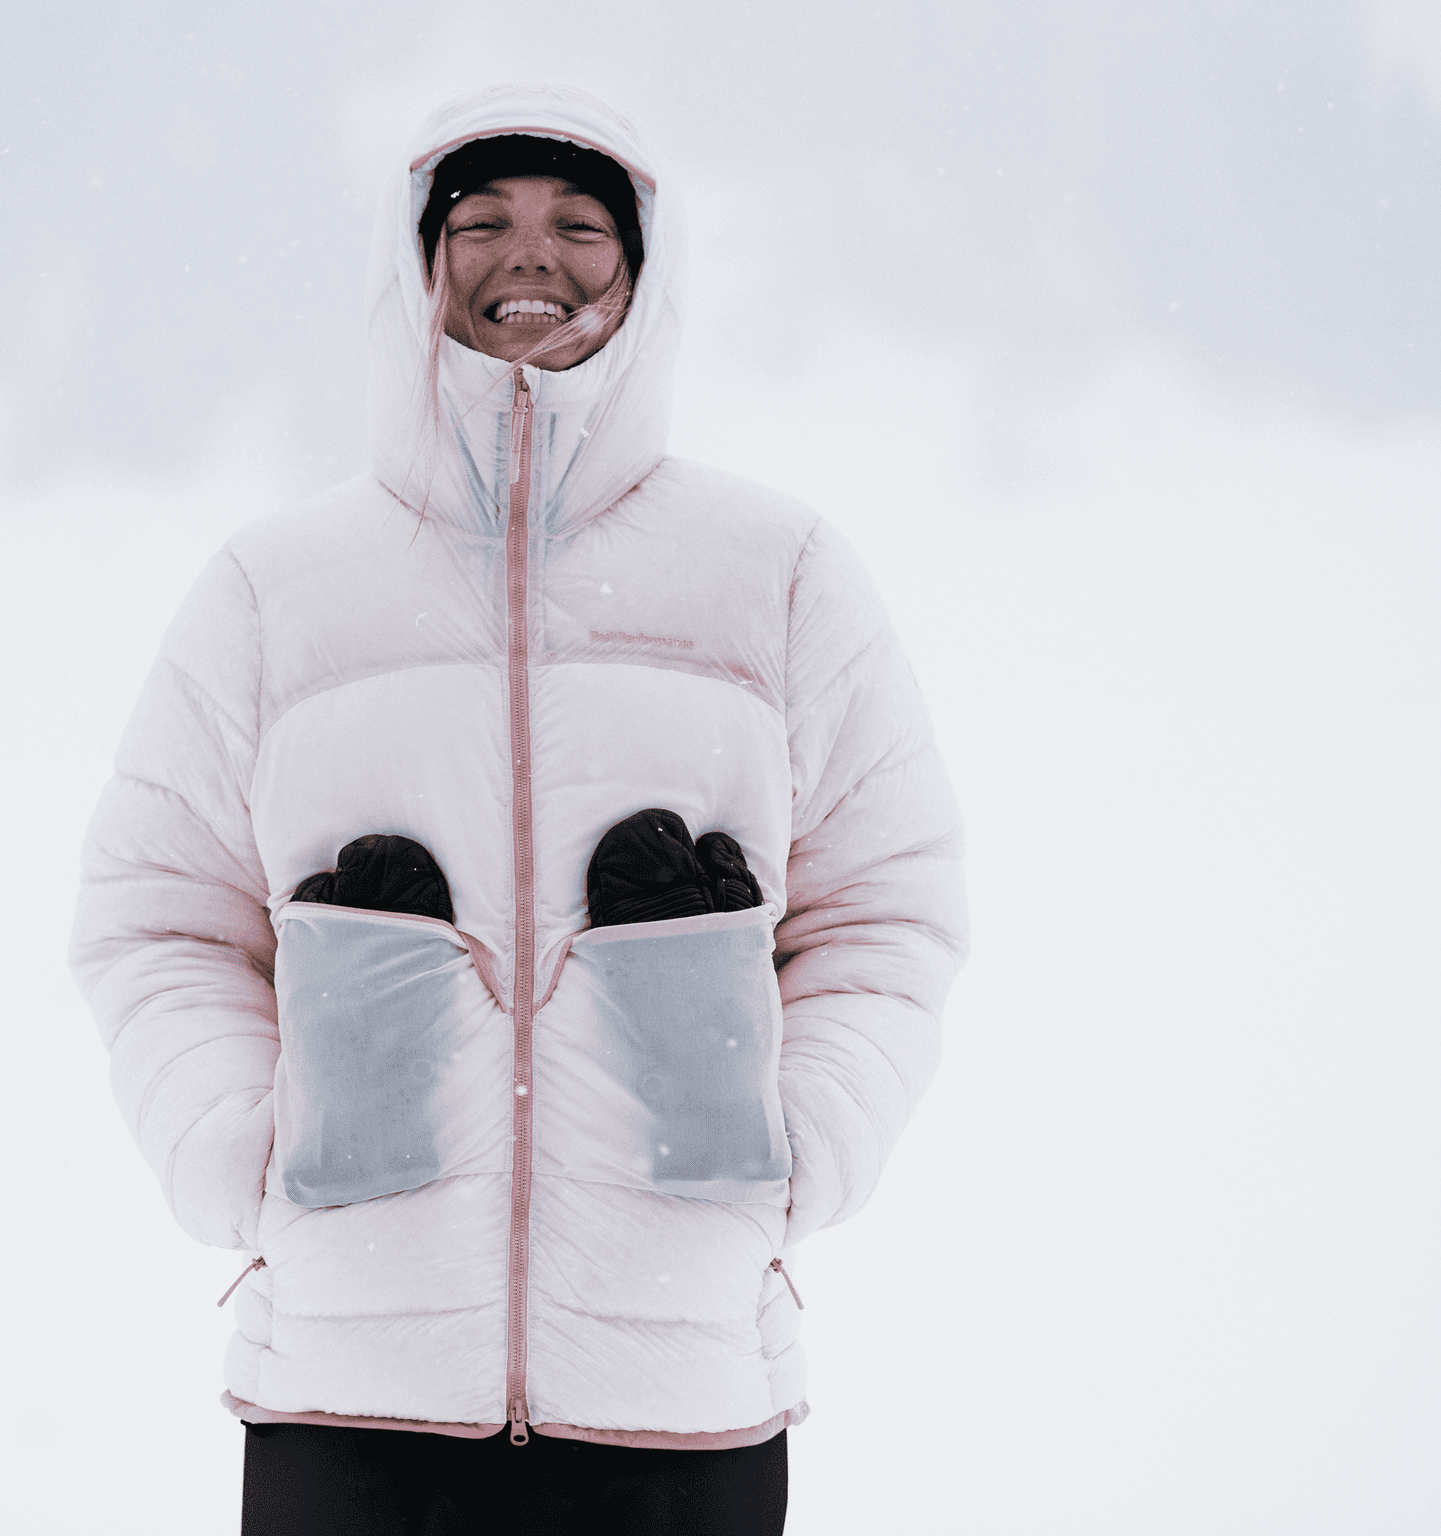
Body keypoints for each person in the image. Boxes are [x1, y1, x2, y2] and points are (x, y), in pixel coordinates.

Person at [70, 82, 967, 1535]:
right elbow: (157, 918)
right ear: (418, 263)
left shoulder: (780, 573)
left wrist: (789, 1144)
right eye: (480, 221)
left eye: (578, 225)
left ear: (645, 269)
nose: (527, 256)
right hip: (351, 1402)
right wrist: (254, 1151)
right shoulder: (275, 591)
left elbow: (889, 905)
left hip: (676, 1397)